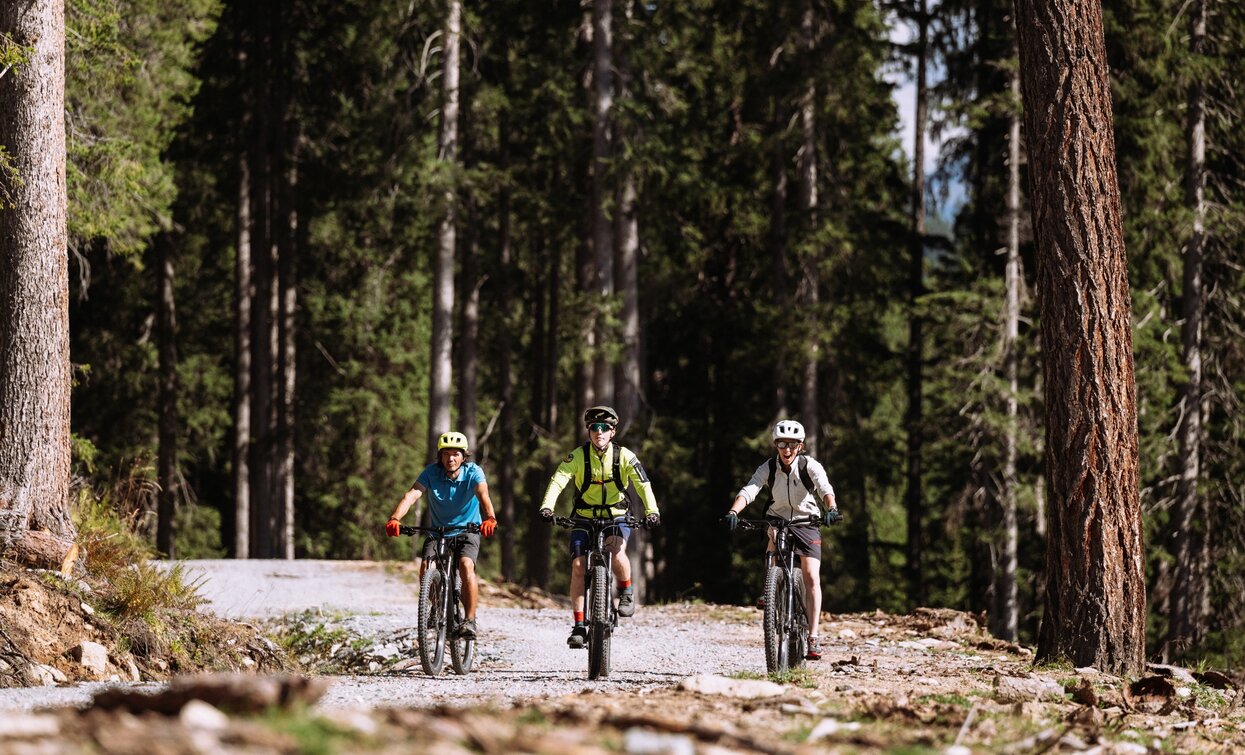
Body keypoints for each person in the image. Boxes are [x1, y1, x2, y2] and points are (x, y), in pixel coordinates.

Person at [539, 406, 661, 649]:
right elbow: (558, 480)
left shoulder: (624, 456)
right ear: (589, 431)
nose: (599, 432)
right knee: (577, 565)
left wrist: (652, 512)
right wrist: (547, 507)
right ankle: (579, 625)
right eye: (594, 427)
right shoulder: (577, 457)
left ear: (613, 432)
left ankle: (626, 591)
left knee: (615, 551)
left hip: (616, 516)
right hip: (584, 517)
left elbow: (643, 484)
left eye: (604, 428)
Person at [722, 419, 840, 661]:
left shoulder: (810, 466)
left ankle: (813, 636)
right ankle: (770, 586)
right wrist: (734, 511)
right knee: (773, 536)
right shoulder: (769, 467)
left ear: (801, 446)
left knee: (810, 576)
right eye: (782, 444)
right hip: (778, 518)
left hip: (807, 521)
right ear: (776, 445)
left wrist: (832, 509)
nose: (787, 449)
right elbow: (750, 489)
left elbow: (825, 489)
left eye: (793, 444)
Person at [386, 431, 498, 640]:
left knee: (465, 566)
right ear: (440, 456)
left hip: (468, 531)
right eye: (446, 454)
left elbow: (483, 494)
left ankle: (470, 620)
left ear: (464, 456)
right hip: (438, 532)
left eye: (456, 454)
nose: (451, 458)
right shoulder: (431, 473)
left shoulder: (474, 472)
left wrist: (490, 517)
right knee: (426, 568)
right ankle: (437, 607)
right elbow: (412, 495)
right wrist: (395, 518)